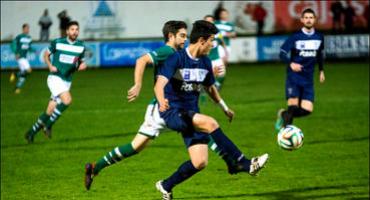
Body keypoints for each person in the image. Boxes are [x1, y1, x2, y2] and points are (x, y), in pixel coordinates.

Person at [84, 20, 241, 191]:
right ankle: (231, 161)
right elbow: (141, 60)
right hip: (163, 109)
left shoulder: (183, 54)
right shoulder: (168, 51)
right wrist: (137, 84)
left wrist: (209, 71)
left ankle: (95, 167)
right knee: (199, 129)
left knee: (140, 145)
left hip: (173, 107)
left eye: (186, 36)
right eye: (182, 36)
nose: (185, 39)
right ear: (170, 36)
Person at [154, 20, 268, 200]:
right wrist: (161, 102)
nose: (213, 45)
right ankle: (244, 163)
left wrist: (224, 107)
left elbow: (210, 88)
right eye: (211, 41)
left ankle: (165, 185)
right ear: (201, 40)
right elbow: (159, 85)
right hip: (173, 112)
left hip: (192, 113)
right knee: (210, 123)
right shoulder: (176, 58)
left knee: (199, 162)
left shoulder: (206, 62)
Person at [24, 21, 87, 143]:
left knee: (50, 110)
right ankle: (49, 125)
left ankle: (31, 132)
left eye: (77, 29)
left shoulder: (81, 46)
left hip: (67, 81)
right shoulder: (58, 42)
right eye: (72, 29)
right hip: (55, 78)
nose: (75, 32)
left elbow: (81, 62)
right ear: (67, 31)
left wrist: (83, 65)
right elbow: (46, 55)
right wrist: (50, 66)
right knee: (67, 100)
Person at [275, 8, 325, 132]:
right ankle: (286, 135)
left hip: (308, 78)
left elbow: (319, 54)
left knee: (307, 110)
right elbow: (282, 53)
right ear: (302, 20)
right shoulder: (295, 37)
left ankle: (283, 114)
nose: (309, 20)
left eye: (311, 17)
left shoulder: (319, 37)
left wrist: (321, 70)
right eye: (306, 17)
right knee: (293, 107)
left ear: (314, 19)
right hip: (294, 77)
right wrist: (290, 63)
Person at [203, 15, 228, 92]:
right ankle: (206, 91)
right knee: (206, 77)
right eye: (207, 21)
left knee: (222, 74)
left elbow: (222, 42)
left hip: (217, 58)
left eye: (211, 20)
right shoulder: (201, 33)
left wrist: (225, 52)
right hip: (207, 59)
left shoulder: (217, 32)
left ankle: (216, 85)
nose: (209, 22)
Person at [10, 23, 34, 94]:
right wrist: (16, 52)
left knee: (23, 75)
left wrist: (33, 50)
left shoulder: (29, 38)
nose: (27, 30)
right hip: (20, 57)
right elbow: (13, 44)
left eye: (28, 28)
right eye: (26, 28)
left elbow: (28, 47)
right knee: (29, 70)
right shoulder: (19, 37)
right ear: (23, 29)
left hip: (25, 57)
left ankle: (17, 88)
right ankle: (15, 74)